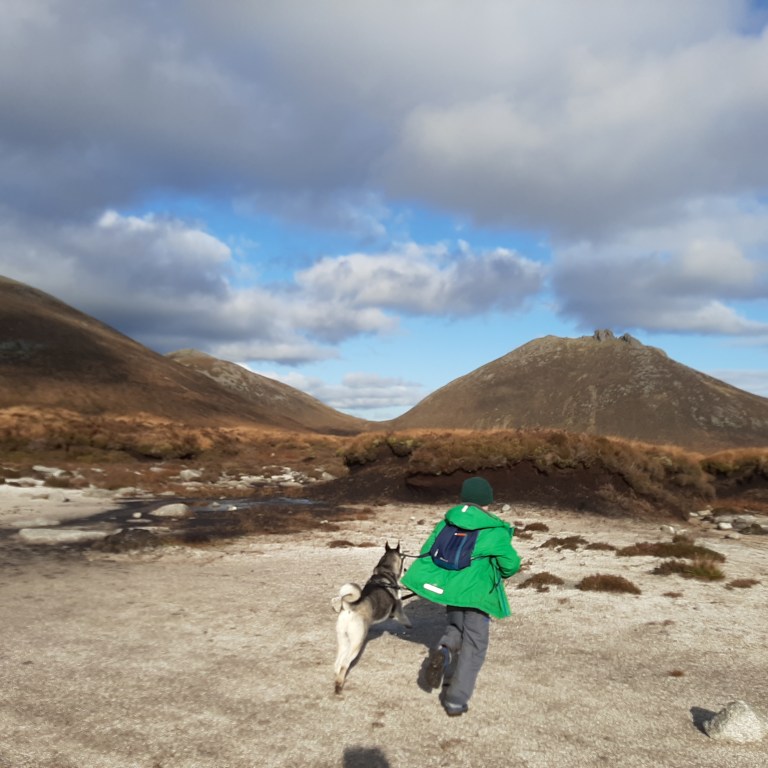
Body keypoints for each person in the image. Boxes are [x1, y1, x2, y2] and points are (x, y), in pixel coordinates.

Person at [401, 476, 521, 716]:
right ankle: (456, 699)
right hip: (476, 596)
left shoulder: (447, 523)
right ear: (488, 501)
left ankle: (444, 651)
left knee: (456, 628)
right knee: (475, 643)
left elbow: (427, 552)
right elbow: (512, 564)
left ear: (464, 497)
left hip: (452, 593)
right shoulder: (494, 530)